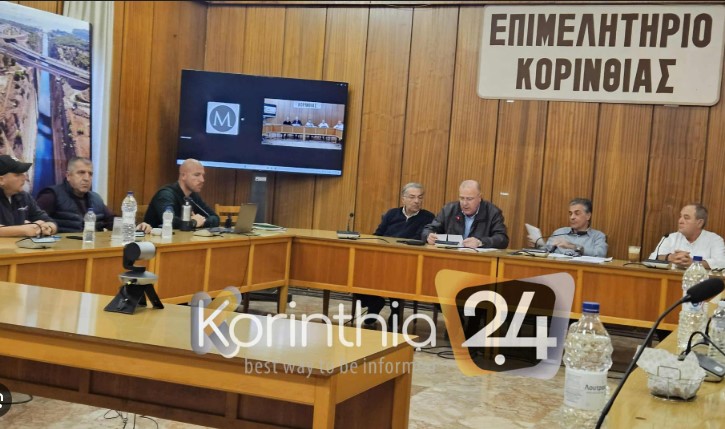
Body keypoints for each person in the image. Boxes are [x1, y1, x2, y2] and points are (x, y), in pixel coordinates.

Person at [356, 183, 435, 329]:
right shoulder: (392, 214)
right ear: (403, 199)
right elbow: (378, 234)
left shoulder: (428, 217)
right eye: (412, 197)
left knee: (397, 274)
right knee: (356, 270)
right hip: (383, 257)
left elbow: (420, 240)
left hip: (408, 261)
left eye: (420, 197)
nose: (416, 201)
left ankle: (395, 311)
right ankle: (374, 302)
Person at [37, 157, 152, 233]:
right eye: (81, 173)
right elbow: (36, 223)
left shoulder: (96, 198)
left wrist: (136, 226)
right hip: (63, 252)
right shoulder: (51, 195)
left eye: (90, 174)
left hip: (92, 248)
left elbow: (113, 221)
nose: (86, 178)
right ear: (68, 176)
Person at [422, 180, 508, 249]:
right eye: (462, 198)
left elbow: (502, 239)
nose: (464, 203)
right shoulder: (449, 210)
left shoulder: (492, 212)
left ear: (479, 198)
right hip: (451, 257)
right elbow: (429, 229)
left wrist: (480, 242)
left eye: (469, 199)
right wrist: (428, 236)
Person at [144, 159, 220, 229]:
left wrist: (202, 222)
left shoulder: (193, 196)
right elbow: (169, 221)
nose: (202, 180)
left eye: (203, 175)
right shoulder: (166, 194)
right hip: (158, 238)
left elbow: (215, 218)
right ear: (183, 176)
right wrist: (193, 222)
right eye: (197, 175)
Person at [649, 203, 725, 269]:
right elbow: (651, 259)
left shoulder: (715, 240)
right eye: (680, 216)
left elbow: (721, 263)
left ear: (700, 223)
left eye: (686, 218)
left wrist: (693, 263)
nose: (680, 221)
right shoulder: (670, 237)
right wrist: (669, 257)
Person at [0, 154, 57, 237]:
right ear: (1, 180)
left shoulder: (24, 197)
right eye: (18, 174)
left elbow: (49, 221)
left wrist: (47, 228)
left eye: (23, 173)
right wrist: (24, 230)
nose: (24, 178)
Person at [530, 198, 607, 257]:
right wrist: (537, 245)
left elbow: (600, 254)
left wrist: (574, 247)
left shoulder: (598, 236)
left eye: (577, 213)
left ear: (588, 216)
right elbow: (546, 252)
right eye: (570, 214)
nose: (572, 217)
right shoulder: (559, 232)